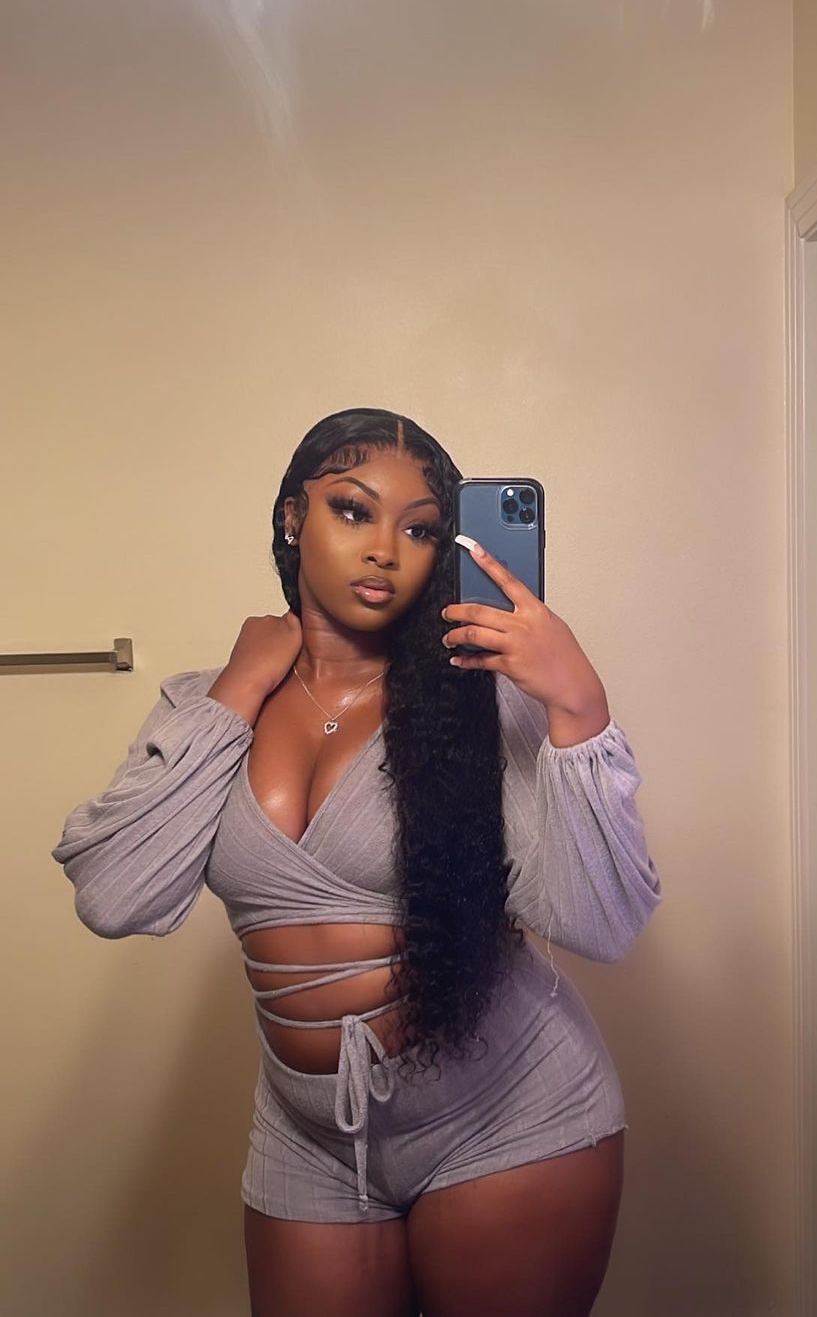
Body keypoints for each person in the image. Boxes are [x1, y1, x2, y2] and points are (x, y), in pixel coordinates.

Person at [51, 408, 662, 1317]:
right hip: (311, 1138)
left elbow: (601, 925)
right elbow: (115, 895)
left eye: (419, 529)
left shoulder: (481, 700)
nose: (384, 550)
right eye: (352, 510)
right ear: (293, 516)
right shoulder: (207, 704)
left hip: (506, 1113)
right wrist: (238, 687)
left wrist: (578, 705)